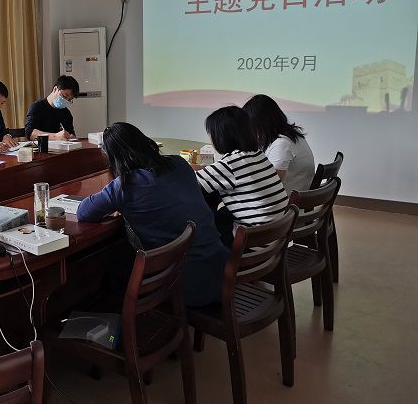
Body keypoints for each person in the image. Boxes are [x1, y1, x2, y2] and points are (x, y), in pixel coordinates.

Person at [77, 122, 229, 307]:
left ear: (113, 159)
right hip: (222, 273)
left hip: (188, 287)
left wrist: (118, 204)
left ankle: (128, 320)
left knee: (112, 266)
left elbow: (83, 212)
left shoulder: (124, 185)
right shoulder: (179, 163)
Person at [196, 106, 289, 247]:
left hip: (253, 244)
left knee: (200, 223)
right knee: (221, 213)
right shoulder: (258, 155)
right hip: (275, 238)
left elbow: (190, 182)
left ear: (221, 136)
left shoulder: (231, 164)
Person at [242, 94, 315, 194]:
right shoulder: (291, 135)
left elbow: (269, 186)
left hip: (286, 200)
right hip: (299, 195)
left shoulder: (281, 144)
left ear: (261, 123)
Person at [25, 75, 79, 141]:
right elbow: (30, 133)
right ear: (55, 89)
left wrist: (72, 138)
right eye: (65, 96)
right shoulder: (36, 107)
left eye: (69, 99)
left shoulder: (66, 113)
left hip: (61, 147)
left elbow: (71, 134)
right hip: (41, 146)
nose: (66, 101)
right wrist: (55, 136)